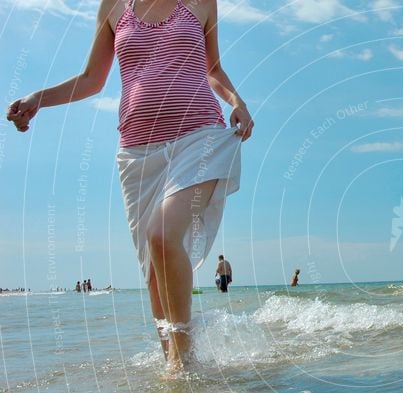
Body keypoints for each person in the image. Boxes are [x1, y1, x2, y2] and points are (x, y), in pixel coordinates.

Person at [7, 0, 254, 371]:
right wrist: (37, 99)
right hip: (137, 154)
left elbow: (213, 68)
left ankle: (182, 364)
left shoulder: (202, 2)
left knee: (161, 235)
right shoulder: (113, 7)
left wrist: (237, 102)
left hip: (198, 138)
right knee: (154, 271)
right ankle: (174, 372)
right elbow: (92, 78)